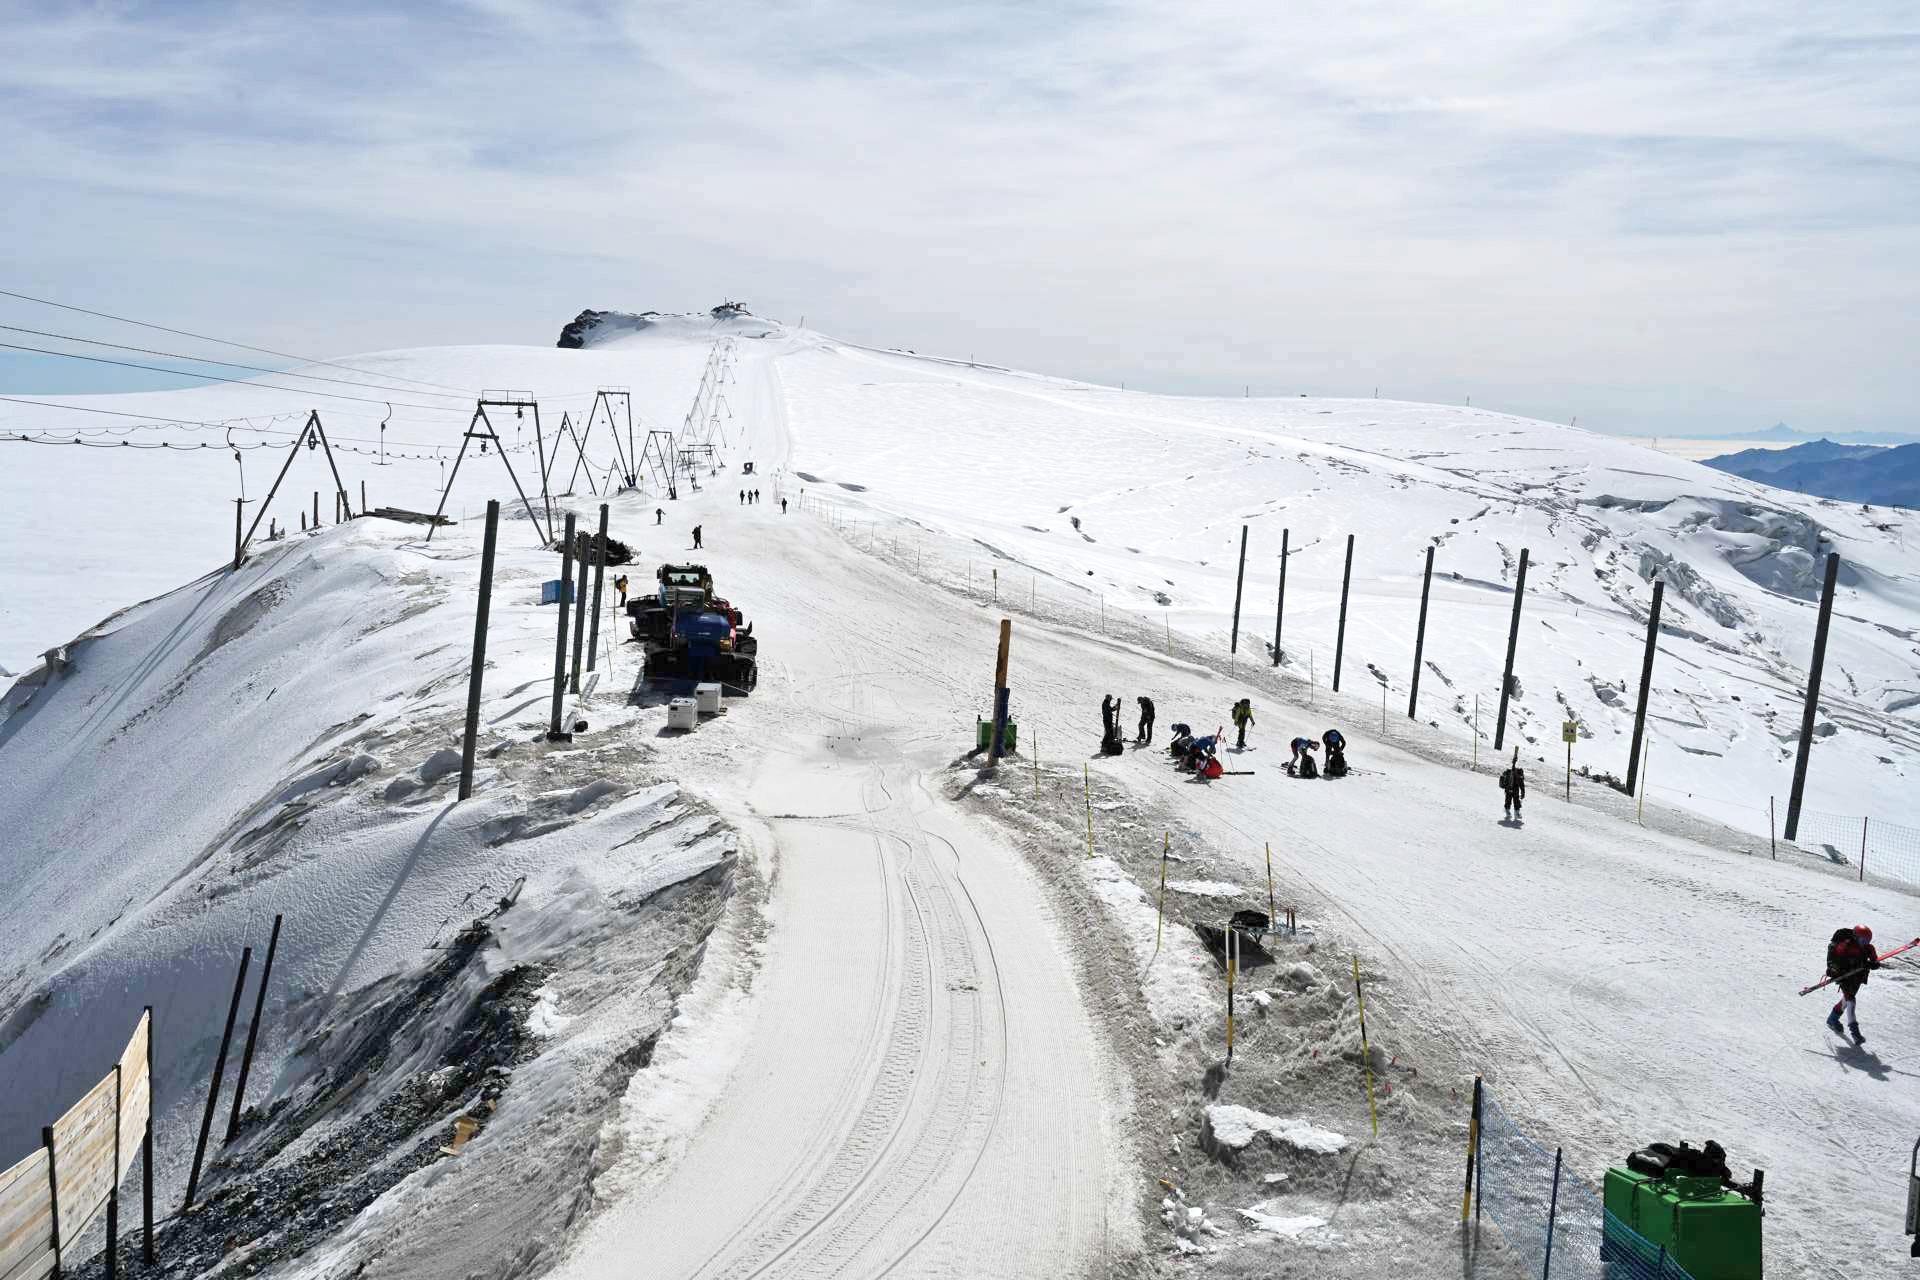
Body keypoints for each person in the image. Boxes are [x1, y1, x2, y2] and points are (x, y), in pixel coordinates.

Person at [1826, 924, 1880, 1044]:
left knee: (1846, 1000)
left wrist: (1874, 964)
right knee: (1851, 1000)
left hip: (1858, 977)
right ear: (1855, 937)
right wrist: (1834, 970)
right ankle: (1855, 1032)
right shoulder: (1845, 945)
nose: (1864, 943)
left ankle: (1832, 1018)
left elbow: (1875, 961)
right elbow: (1835, 960)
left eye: (1867, 941)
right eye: (1862, 940)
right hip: (1844, 977)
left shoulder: (1869, 948)